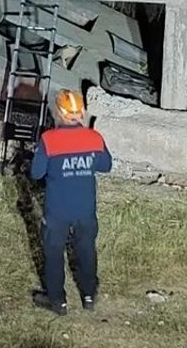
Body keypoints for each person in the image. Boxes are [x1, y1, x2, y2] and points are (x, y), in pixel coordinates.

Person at [29, 89, 112, 315]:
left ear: (59, 113)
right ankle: (89, 295)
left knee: (54, 253)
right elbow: (106, 166)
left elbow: (36, 174)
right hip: (85, 209)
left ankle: (57, 301)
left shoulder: (49, 140)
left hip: (57, 210)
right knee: (86, 250)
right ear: (82, 112)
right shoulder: (94, 138)